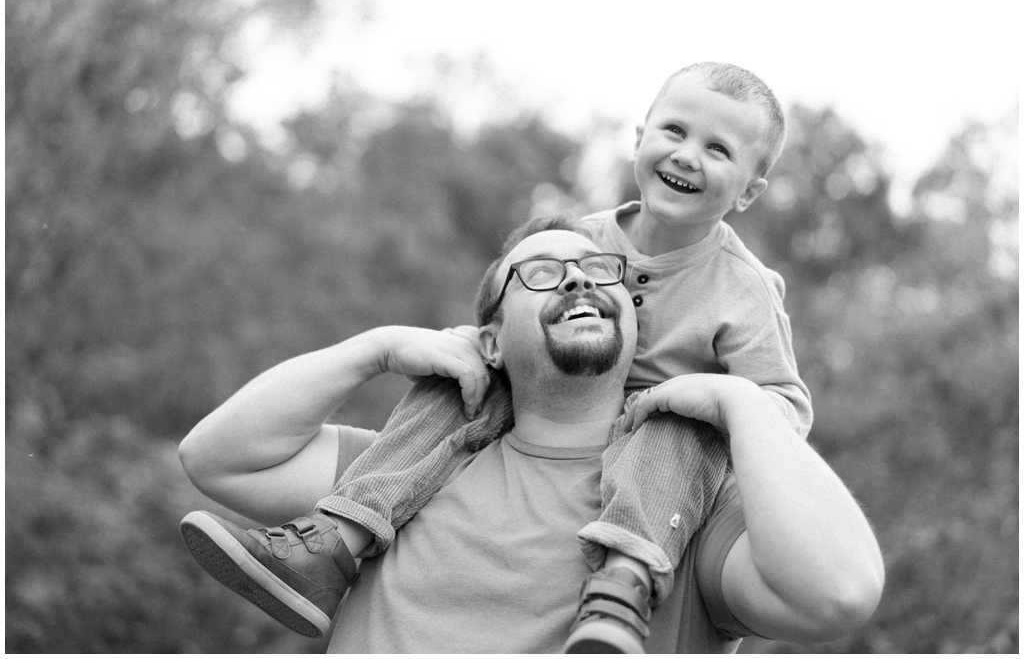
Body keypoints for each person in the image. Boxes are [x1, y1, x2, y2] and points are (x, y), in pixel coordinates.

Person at [179, 62, 815, 652]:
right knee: (455, 378)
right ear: (640, 136)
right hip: (511, 410)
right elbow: (214, 457)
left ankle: (623, 585)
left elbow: (785, 411)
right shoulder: (579, 237)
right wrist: (388, 348)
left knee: (680, 431)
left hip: (662, 449)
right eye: (675, 130)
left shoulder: (743, 289)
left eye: (718, 149)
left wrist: (718, 401)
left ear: (749, 192)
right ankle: (335, 539)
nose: (687, 154)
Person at [178, 222, 883, 653]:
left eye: (603, 271)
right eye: (540, 273)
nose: (578, 275)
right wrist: (377, 349)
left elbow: (841, 594)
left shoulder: (683, 500)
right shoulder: (402, 474)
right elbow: (216, 458)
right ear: (488, 337)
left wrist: (741, 401)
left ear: (635, 328)